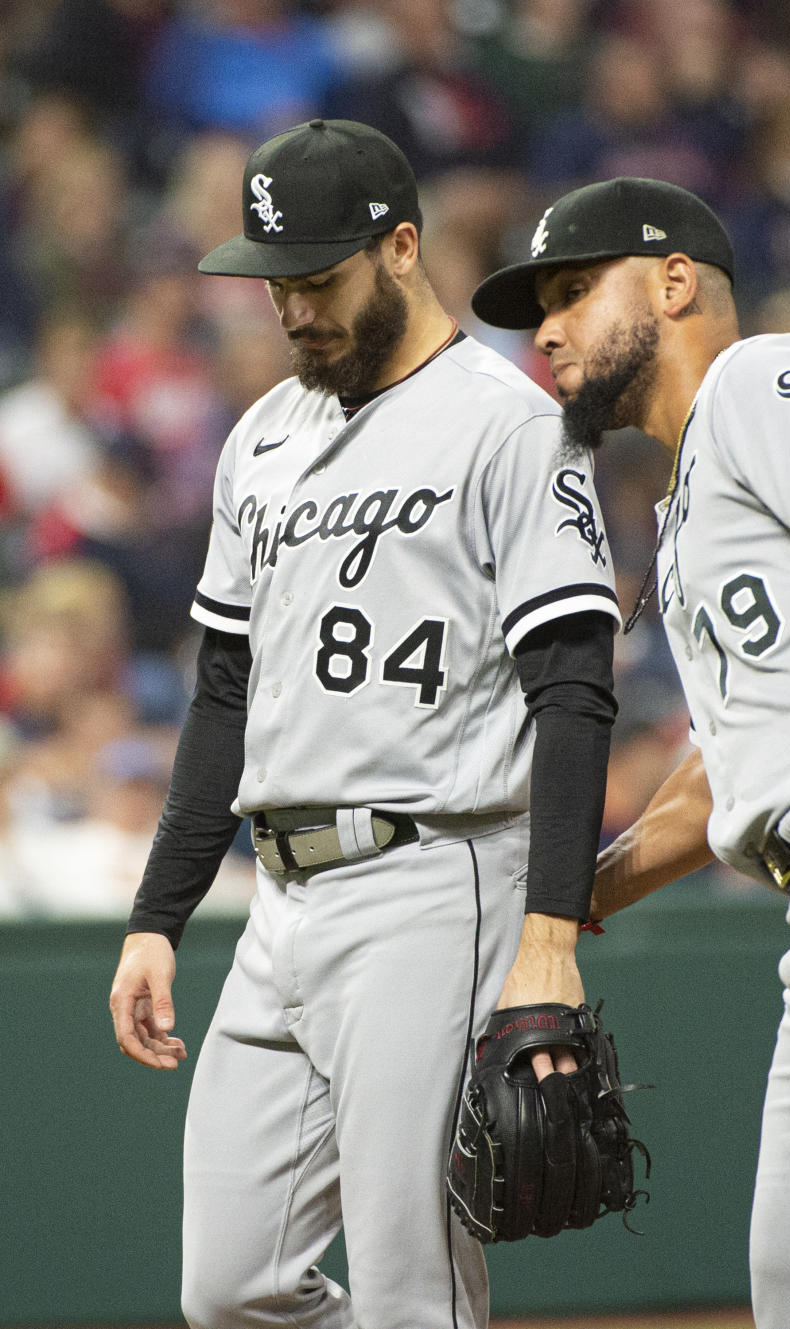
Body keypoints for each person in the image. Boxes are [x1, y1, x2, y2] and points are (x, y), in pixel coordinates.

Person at [107, 119, 621, 1329]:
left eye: (318, 279)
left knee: (410, 1288)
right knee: (231, 1288)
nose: (291, 310)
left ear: (400, 248)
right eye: (276, 282)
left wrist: (548, 934)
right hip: (279, 900)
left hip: (433, 879)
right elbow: (226, 694)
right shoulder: (265, 439)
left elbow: (574, 686)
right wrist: (154, 918)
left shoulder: (509, 422)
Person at [470, 175, 790, 1329]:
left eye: (577, 290)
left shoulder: (764, 376)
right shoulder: (691, 499)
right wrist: (567, 907)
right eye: (541, 304)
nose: (546, 328)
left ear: (677, 281)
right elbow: (726, 779)